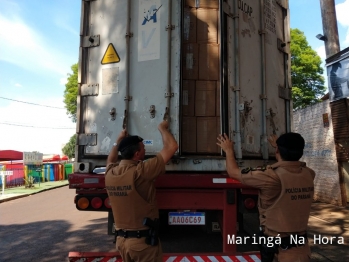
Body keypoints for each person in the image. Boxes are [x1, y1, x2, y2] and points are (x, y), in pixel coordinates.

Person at [217, 132, 315, 262]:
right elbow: (291, 167)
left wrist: (229, 150)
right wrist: (279, 148)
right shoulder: (308, 174)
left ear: (277, 151)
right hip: (302, 250)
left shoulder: (271, 177)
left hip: (282, 254)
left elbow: (233, 172)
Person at [105, 120, 178, 262]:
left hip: (122, 243)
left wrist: (118, 141)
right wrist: (162, 128)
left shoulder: (110, 173)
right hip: (142, 245)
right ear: (137, 154)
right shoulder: (141, 172)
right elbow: (172, 147)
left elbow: (110, 160)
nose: (145, 151)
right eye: (144, 148)